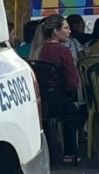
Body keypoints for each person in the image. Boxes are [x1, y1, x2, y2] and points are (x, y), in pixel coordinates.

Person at [29, 14, 81, 164]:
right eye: (66, 28)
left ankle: (48, 153)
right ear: (56, 31)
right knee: (74, 112)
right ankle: (69, 153)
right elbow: (73, 81)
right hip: (59, 101)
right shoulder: (63, 52)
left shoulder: (37, 51)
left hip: (40, 102)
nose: (69, 31)